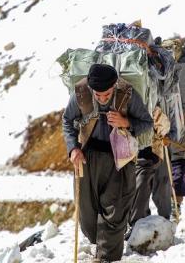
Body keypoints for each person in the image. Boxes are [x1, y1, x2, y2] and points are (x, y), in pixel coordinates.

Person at [62, 63, 153, 262]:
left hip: (119, 159)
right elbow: (67, 121)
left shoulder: (127, 93)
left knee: (114, 211)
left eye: (107, 94)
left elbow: (147, 123)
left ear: (114, 86)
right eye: (98, 95)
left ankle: (106, 257)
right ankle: (101, 245)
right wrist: (73, 148)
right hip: (88, 157)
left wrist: (126, 122)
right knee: (87, 215)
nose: (103, 99)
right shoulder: (81, 93)